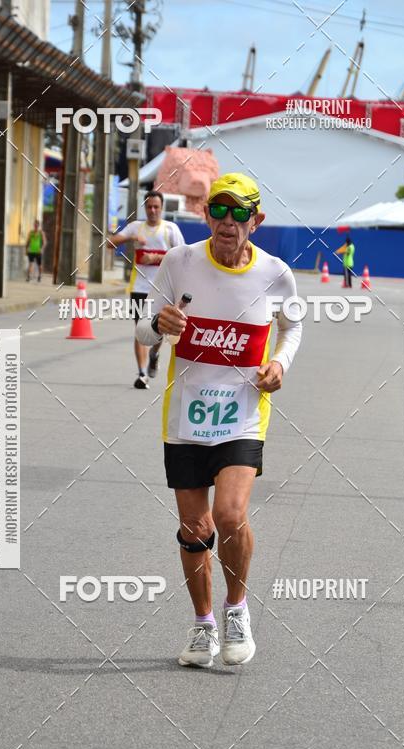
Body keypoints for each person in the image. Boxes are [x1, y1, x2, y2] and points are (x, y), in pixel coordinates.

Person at [136, 173, 302, 668]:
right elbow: (143, 329)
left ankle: (237, 608)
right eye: (219, 211)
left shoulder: (275, 274)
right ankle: (204, 623)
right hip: (186, 415)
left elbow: (293, 326)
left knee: (230, 515)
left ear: (257, 219)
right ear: (206, 214)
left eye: (239, 213)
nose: (228, 222)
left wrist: (280, 364)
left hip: (244, 416)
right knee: (194, 527)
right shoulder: (179, 262)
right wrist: (158, 325)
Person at [109, 191, 184, 389]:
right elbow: (109, 243)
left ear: (162, 208)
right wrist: (130, 237)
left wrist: (157, 258)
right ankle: (142, 374)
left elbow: (183, 257)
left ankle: (155, 353)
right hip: (139, 288)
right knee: (140, 331)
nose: (152, 211)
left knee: (159, 330)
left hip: (163, 290)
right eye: (149, 207)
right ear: (145, 207)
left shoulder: (170, 229)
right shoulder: (136, 227)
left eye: (156, 207)